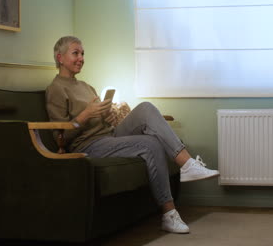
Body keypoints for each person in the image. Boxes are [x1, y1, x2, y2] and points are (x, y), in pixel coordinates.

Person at [45, 36, 220, 234]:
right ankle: (169, 214)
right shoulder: (55, 89)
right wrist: (86, 114)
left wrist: (107, 116)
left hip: (108, 135)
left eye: (83, 53)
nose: (81, 58)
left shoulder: (86, 86)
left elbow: (100, 122)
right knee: (150, 143)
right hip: (87, 145)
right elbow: (60, 137)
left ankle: (188, 165)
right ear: (60, 57)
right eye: (75, 53)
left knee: (145, 108)